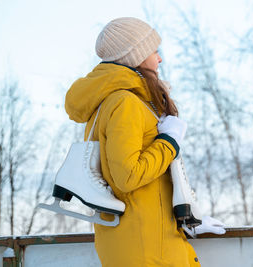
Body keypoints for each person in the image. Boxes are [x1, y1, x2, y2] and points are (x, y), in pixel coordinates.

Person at [65, 17, 201, 267]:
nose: (159, 58)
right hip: (146, 247)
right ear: (135, 55)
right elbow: (127, 176)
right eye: (153, 51)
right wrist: (168, 141)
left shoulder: (113, 102)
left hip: (143, 239)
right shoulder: (125, 103)